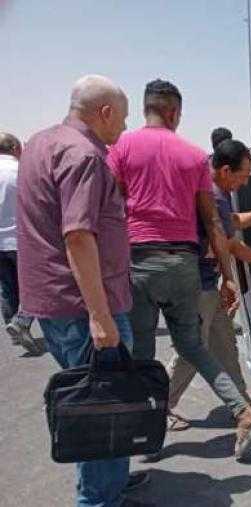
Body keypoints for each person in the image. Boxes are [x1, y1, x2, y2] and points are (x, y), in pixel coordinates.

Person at [106, 79, 251, 459]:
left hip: (139, 261)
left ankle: (145, 438)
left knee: (143, 354)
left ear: (147, 108)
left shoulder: (121, 148)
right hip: (184, 265)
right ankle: (243, 412)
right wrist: (228, 276)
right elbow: (213, 224)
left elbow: (110, 210)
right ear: (175, 112)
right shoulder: (194, 155)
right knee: (194, 345)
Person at [16, 75, 144, 507]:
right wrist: (100, 315)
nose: (124, 128)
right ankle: (100, 500)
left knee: (96, 401)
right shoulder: (85, 154)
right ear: (104, 112)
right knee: (101, 408)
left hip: (54, 301)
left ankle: (109, 485)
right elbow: (77, 236)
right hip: (84, 306)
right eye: (123, 119)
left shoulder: (38, 143)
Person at [166, 136, 251, 430]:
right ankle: (158, 407)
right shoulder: (214, 194)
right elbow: (233, 245)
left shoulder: (216, 193)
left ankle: (242, 404)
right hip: (197, 285)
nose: (245, 184)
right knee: (190, 352)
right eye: (243, 176)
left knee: (224, 343)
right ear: (224, 170)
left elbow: (232, 220)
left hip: (207, 283)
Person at [0, 132, 40, 354]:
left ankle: (16, 326)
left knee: (7, 289)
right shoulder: (21, 171)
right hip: (21, 239)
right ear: (15, 148)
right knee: (34, 285)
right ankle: (21, 322)